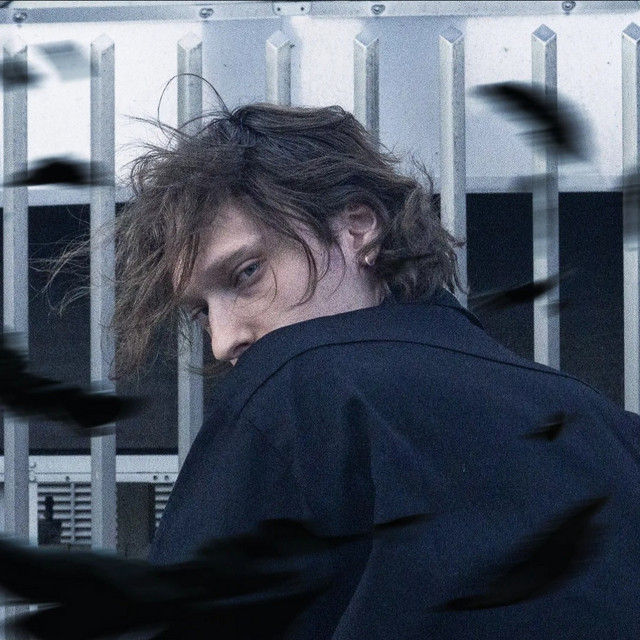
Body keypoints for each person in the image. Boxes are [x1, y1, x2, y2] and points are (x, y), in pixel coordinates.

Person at [46, 97, 640, 639]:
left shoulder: (297, 387)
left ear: (358, 227)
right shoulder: (610, 429)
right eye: (202, 311)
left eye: (246, 273)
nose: (224, 341)